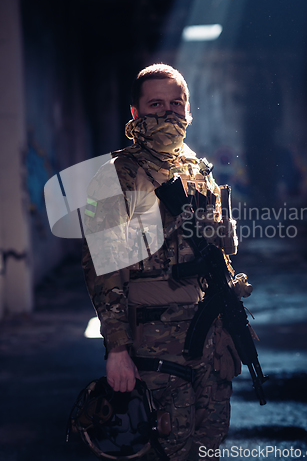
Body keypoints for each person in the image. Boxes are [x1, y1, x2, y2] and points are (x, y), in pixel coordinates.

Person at [82, 64, 241, 460]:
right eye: (156, 104)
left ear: (188, 110)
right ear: (135, 112)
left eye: (176, 104)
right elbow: (103, 269)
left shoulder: (198, 170)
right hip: (155, 344)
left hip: (211, 338)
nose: (168, 113)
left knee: (207, 445)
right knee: (162, 447)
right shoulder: (115, 176)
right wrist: (117, 349)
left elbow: (218, 252)